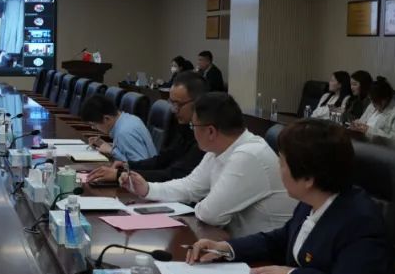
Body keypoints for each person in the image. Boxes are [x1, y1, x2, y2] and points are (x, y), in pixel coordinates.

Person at [186, 120, 395, 274]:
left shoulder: (359, 221)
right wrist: (226, 248)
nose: (279, 171)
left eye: (282, 164)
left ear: (308, 179)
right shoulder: (312, 202)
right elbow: (282, 238)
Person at [122, 93, 296, 236]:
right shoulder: (218, 150)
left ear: (211, 131)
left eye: (193, 126)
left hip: (263, 256)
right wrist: (147, 189)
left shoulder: (249, 155)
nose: (192, 131)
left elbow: (210, 214)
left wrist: (199, 203)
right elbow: (190, 187)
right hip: (232, 243)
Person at [88, 71, 207, 185]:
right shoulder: (185, 128)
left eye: (178, 104)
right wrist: (127, 166)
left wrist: (121, 175)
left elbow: (175, 175)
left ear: (198, 103)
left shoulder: (205, 136)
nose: (173, 110)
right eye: (171, 103)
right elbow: (162, 160)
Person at [79, 93, 158, 163]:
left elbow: (140, 166)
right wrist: (108, 145)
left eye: (94, 124)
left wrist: (112, 151)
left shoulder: (124, 132)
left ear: (106, 118)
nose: (93, 128)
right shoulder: (128, 118)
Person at [350, 76, 395, 141]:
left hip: (380, 145)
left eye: (375, 101)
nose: (373, 103)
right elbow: (362, 122)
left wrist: (368, 130)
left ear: (385, 99)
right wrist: (357, 125)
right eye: (371, 99)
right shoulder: (372, 105)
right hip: (362, 141)